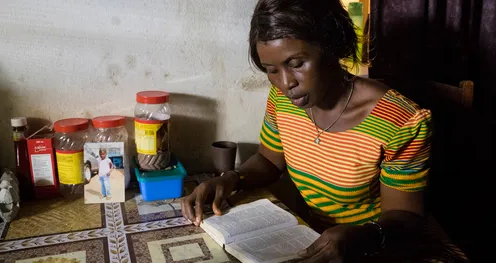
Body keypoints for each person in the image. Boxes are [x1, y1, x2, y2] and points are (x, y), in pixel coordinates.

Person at [181, 0, 433, 262]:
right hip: (310, 239)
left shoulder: (401, 120)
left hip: (375, 249)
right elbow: (269, 161)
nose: (286, 82)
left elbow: (406, 216)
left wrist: (359, 237)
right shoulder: (282, 100)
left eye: (297, 63)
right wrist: (230, 179)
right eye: (272, 71)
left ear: (330, 46)